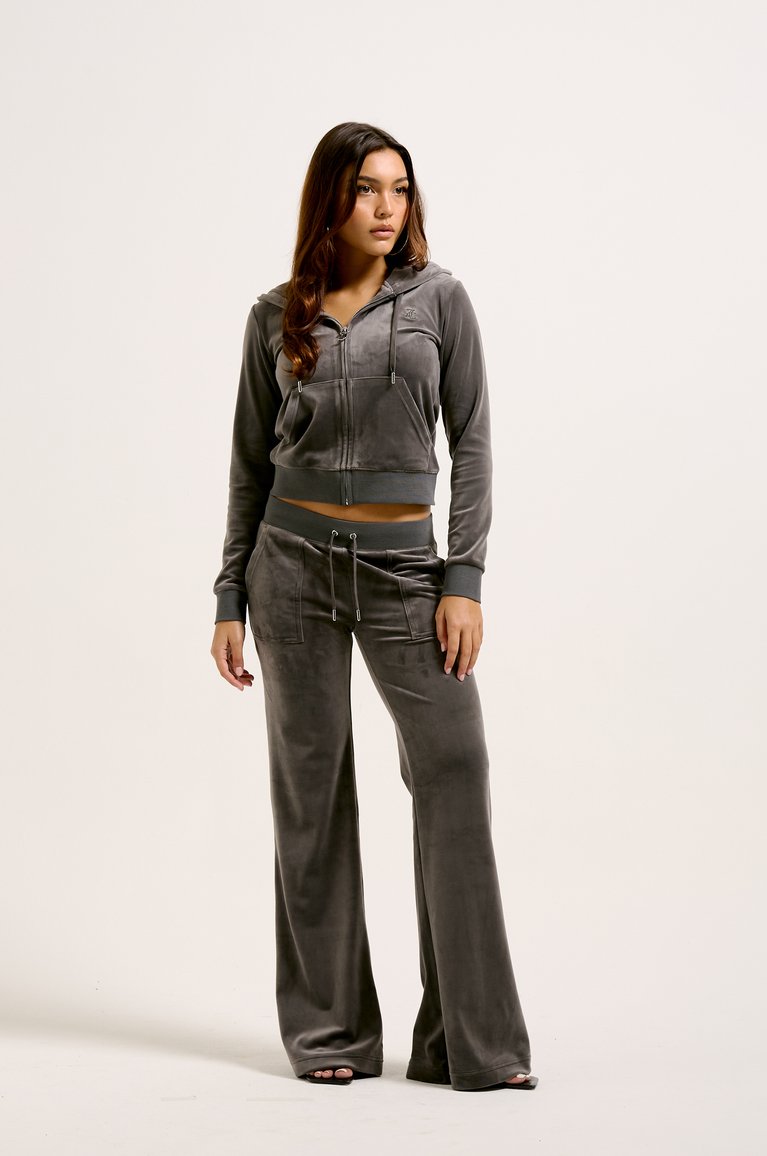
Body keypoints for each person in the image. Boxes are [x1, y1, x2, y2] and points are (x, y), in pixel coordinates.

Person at [210, 122, 538, 1093]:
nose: (387, 207)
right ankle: (330, 1034)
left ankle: (469, 1043)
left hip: (406, 572)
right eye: (366, 189)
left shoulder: (439, 300)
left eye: (399, 188)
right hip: (290, 569)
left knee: (454, 768)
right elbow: (247, 465)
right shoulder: (274, 316)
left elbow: (473, 443)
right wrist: (229, 594)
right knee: (311, 795)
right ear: (331, 199)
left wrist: (462, 580)